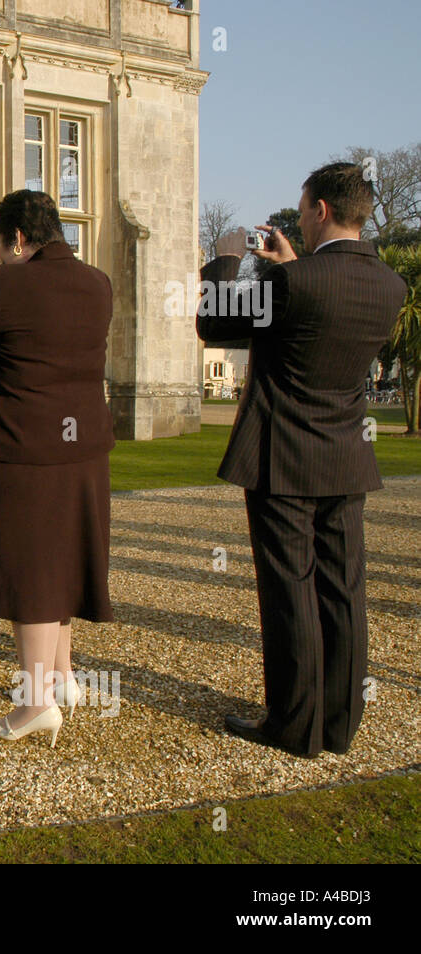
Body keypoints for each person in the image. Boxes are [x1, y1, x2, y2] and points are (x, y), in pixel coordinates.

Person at [197, 162, 407, 758]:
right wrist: (292, 268)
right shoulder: (391, 287)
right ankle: (339, 722)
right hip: (345, 456)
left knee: (290, 589)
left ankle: (294, 723)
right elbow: (323, 329)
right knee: (343, 591)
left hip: (283, 454)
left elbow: (212, 321)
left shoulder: (295, 284)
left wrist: (227, 258)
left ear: (318, 210)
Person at [0, 189, 115, 747]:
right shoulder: (99, 284)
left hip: (20, 445)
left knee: (31, 574)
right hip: (83, 443)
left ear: (15, 239)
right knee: (64, 559)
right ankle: (63, 677)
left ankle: (35, 703)